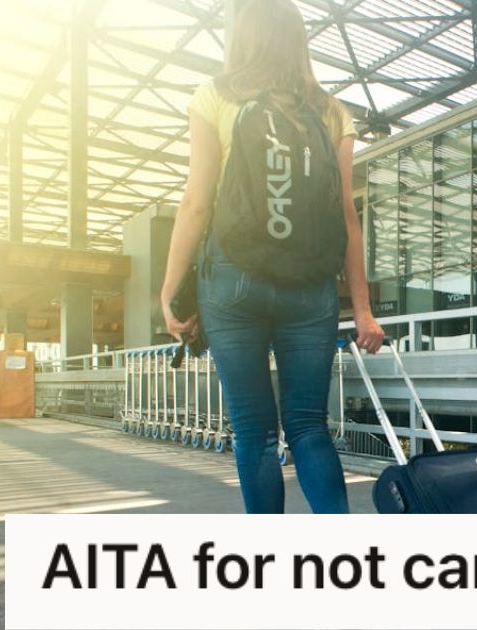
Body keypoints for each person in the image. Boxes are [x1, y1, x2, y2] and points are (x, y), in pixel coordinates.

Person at [160, 0, 383, 514]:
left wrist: (170, 289)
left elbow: (197, 201)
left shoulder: (216, 95)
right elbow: (347, 215)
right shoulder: (330, 111)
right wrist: (364, 309)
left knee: (255, 432)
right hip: (310, 288)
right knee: (308, 426)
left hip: (233, 282)